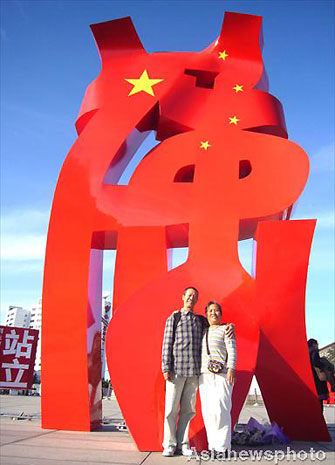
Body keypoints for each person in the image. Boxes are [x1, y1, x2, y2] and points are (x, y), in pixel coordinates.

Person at [161, 287, 234, 457]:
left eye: (195, 296)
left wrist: (230, 326)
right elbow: (167, 343)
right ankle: (169, 444)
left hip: (194, 373)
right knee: (170, 410)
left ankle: (183, 443)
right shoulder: (174, 317)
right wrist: (166, 367)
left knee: (188, 410)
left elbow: (216, 326)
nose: (191, 298)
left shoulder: (200, 321)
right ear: (183, 297)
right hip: (176, 371)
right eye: (189, 295)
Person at [199, 301, 236, 458]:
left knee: (222, 410)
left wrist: (231, 369)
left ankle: (223, 447)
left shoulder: (225, 329)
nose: (213, 313)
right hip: (204, 376)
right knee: (208, 412)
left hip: (222, 375)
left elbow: (232, 349)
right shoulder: (202, 331)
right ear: (206, 314)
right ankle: (212, 446)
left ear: (221, 314)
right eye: (210, 311)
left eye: (216, 311)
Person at [308, 338, 329, 412]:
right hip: (317, 378)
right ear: (314, 344)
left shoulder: (306, 352)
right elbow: (316, 363)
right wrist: (323, 364)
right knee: (319, 401)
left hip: (310, 378)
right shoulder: (314, 352)